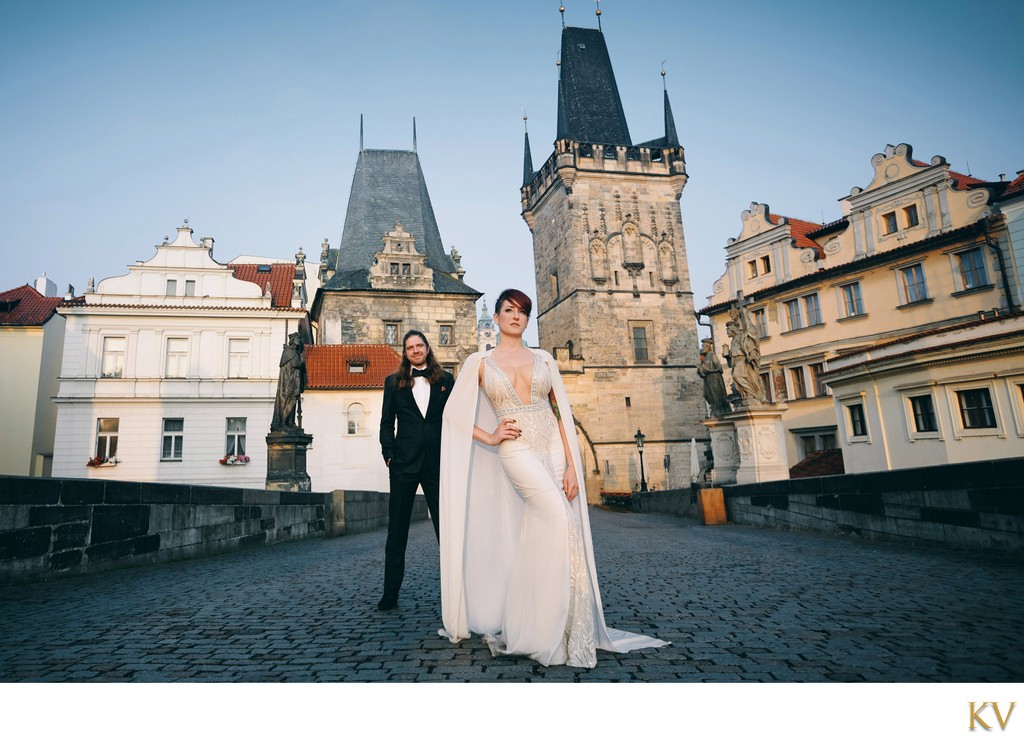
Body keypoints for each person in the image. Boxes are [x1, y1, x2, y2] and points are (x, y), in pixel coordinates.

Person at [438, 289, 668, 667]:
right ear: (495, 318)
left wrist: (574, 465)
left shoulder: (545, 359)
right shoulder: (478, 362)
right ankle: (546, 627)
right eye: (509, 310)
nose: (515, 317)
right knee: (559, 519)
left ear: (528, 320)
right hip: (517, 450)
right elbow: (453, 417)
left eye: (523, 312)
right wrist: (492, 436)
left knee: (557, 528)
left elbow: (562, 414)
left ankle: (548, 623)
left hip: (554, 448)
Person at [377, 330, 455, 611]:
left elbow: (457, 419)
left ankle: (456, 592)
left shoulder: (446, 380)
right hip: (403, 465)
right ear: (405, 352)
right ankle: (390, 594)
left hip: (437, 462)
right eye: (410, 347)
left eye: (419, 345)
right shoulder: (393, 383)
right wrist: (388, 454)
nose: (415, 350)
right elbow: (387, 423)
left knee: (445, 529)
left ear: (427, 347)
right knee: (397, 531)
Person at [271, 332, 306, 431]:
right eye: (297, 339)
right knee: (289, 400)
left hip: (295, 379)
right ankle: (283, 422)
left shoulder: (294, 352)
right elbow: (295, 363)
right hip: (289, 381)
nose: (299, 340)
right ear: (293, 340)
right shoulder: (289, 352)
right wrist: (301, 362)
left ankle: (290, 422)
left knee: (293, 400)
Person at [697, 337, 730, 417]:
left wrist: (704, 368)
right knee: (707, 394)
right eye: (702, 347)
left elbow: (719, 367)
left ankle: (718, 409)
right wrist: (700, 369)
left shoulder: (712, 356)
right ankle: (714, 408)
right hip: (708, 378)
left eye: (704, 347)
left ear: (709, 348)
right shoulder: (706, 357)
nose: (703, 348)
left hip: (714, 378)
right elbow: (703, 372)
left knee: (715, 394)